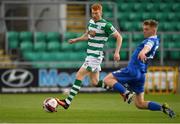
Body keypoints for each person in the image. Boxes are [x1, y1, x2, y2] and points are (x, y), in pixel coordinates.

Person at [56, 3, 133, 109]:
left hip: (95, 56)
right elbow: (89, 35)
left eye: (96, 13)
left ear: (101, 12)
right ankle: (124, 91)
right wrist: (76, 39)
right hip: (91, 55)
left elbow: (119, 37)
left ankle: (67, 102)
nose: (94, 15)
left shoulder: (106, 25)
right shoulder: (91, 22)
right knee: (95, 82)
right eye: (93, 13)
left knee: (79, 75)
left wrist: (117, 52)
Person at [103, 19, 176, 118]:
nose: (144, 31)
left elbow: (147, 47)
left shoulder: (150, 40)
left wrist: (143, 52)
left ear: (154, 30)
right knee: (140, 104)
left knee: (107, 79)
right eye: (143, 29)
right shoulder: (156, 40)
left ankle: (126, 93)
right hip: (141, 74)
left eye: (146, 29)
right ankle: (162, 108)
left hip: (133, 70)